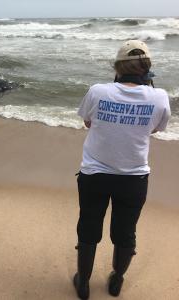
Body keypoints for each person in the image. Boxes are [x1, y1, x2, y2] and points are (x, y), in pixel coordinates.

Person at [73, 40, 171, 299]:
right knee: (125, 233)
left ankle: (83, 282)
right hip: (134, 177)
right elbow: (155, 129)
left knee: (89, 227)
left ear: (117, 67)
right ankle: (117, 279)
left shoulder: (98, 91)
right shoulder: (159, 97)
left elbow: (86, 122)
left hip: (95, 174)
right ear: (147, 70)